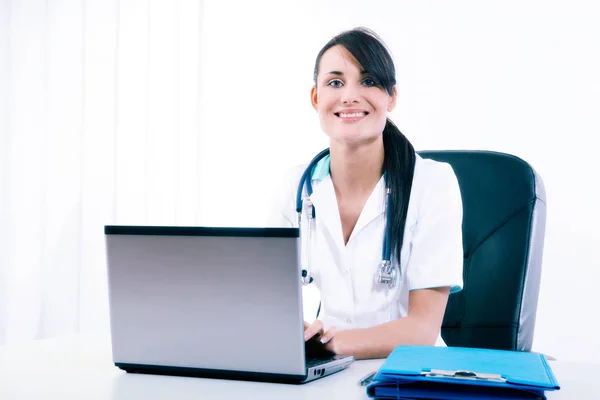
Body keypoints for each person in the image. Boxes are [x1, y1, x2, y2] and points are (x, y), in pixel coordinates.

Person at [268, 27, 464, 360]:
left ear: (392, 97)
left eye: (369, 81)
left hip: (408, 374)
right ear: (316, 97)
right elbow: (269, 306)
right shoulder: (295, 187)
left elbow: (421, 330)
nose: (349, 96)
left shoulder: (432, 183)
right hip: (321, 373)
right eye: (335, 82)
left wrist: (323, 346)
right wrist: (295, 333)